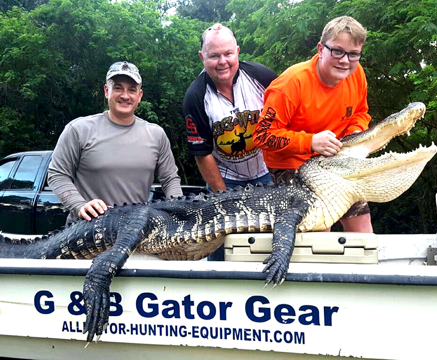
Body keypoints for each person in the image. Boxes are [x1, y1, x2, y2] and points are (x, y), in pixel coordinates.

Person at [253, 16, 373, 233]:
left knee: (362, 227)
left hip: (334, 161)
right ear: (321, 49)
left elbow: (361, 113)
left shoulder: (357, 75)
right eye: (337, 51)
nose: (345, 60)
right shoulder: (291, 83)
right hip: (292, 165)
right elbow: (262, 135)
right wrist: (310, 142)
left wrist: (356, 133)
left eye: (353, 54)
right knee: (321, 230)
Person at [183, 23, 277, 260]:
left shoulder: (262, 77)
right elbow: (202, 153)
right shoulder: (195, 96)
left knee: (271, 243)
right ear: (202, 57)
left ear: (238, 51)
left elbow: (288, 123)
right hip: (225, 178)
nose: (222, 61)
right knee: (221, 246)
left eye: (228, 54)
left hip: (267, 172)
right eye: (214, 56)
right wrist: (224, 198)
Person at [48, 61, 183, 224]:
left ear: (140, 96)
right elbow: (58, 174)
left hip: (134, 232)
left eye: (132, 90)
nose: (125, 95)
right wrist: (79, 205)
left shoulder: (156, 134)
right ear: (106, 91)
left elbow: (170, 179)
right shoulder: (79, 129)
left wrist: (179, 211)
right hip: (86, 231)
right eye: (118, 88)